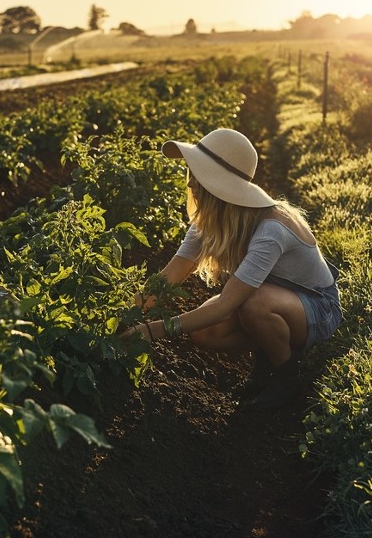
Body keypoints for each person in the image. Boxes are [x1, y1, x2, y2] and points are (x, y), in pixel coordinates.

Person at [122, 128, 342, 411]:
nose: (190, 185)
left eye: (196, 175)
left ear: (217, 184)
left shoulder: (271, 229)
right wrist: (124, 313)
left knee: (252, 304)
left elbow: (227, 304)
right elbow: (171, 274)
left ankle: (286, 376)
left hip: (317, 307)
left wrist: (154, 331)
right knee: (205, 332)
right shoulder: (209, 222)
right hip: (272, 299)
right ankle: (270, 349)